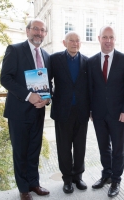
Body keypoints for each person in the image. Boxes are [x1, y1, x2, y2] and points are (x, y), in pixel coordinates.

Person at [0, 19, 51, 200]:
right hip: (19, 112)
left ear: (45, 33)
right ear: (27, 31)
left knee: (34, 150)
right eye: (35, 29)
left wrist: (46, 100)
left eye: (42, 30)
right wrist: (29, 96)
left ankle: (34, 183)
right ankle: (23, 189)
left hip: (38, 111)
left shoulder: (46, 55)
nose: (38, 33)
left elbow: (48, 84)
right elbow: (5, 79)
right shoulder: (14, 50)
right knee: (20, 151)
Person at [87, 26, 124, 197]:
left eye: (111, 37)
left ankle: (116, 179)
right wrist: (91, 110)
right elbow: (90, 88)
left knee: (118, 148)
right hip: (98, 113)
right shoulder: (91, 62)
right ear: (99, 38)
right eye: (105, 37)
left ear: (115, 39)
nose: (108, 40)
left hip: (118, 114)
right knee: (103, 146)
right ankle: (106, 175)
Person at [48, 31, 90, 194]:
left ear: (81, 43)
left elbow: (91, 87)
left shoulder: (87, 61)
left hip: (81, 110)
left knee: (80, 146)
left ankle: (78, 177)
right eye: (71, 40)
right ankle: (66, 179)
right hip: (62, 110)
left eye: (77, 41)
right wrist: (48, 97)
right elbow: (47, 80)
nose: (74, 43)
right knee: (64, 147)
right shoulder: (54, 59)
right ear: (64, 43)